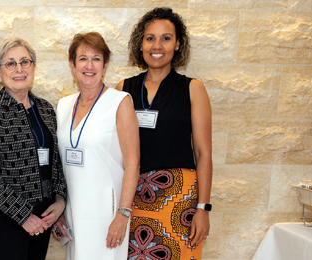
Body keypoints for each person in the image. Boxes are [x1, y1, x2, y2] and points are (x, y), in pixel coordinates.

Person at [116, 7, 213, 259]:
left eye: (166, 38)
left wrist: (203, 208)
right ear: (140, 44)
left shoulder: (193, 89)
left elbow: (203, 154)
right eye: (150, 38)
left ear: (178, 44)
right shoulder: (122, 90)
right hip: (133, 198)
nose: (157, 45)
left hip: (178, 199)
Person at [0, 37, 67, 260]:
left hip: (44, 212)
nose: (19, 69)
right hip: (5, 215)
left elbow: (56, 161)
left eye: (25, 61)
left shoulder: (45, 108)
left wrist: (60, 201)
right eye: (10, 63)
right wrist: (24, 216)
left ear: (33, 67)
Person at [52, 32, 140, 260]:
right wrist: (60, 210)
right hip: (73, 212)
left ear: (105, 64)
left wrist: (122, 215)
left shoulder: (120, 102)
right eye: (82, 59)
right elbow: (58, 165)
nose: (89, 65)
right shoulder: (63, 105)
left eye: (96, 58)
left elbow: (133, 163)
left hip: (106, 214)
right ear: (72, 65)